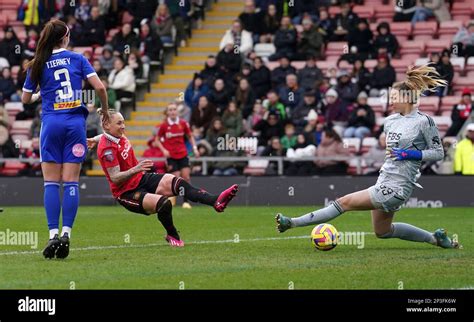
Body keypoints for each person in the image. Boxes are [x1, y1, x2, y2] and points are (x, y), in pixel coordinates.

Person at [276, 65, 460, 249]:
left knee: (343, 203)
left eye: (394, 98)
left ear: (407, 98)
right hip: (385, 180)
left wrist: (411, 154)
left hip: (398, 186)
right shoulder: (390, 121)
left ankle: (291, 223)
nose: (391, 102)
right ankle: (436, 239)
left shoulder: (424, 122)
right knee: (383, 231)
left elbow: (438, 153)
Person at [21, 20, 110, 259]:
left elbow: (25, 99)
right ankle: (66, 234)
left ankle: (52, 235)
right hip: (75, 126)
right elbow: (100, 88)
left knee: (51, 183)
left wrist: (41, 93)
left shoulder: (38, 62)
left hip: (51, 124)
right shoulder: (78, 59)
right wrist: (105, 112)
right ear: (66, 37)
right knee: (71, 182)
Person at [87, 110, 238, 247]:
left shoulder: (116, 135)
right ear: (107, 126)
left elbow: (105, 135)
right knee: (164, 204)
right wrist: (136, 168)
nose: (123, 126)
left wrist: (94, 138)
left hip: (140, 178)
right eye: (119, 123)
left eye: (123, 122)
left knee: (179, 183)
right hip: (127, 192)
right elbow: (115, 178)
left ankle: (215, 201)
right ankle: (172, 234)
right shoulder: (107, 149)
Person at [154, 103, 201, 209]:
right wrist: (164, 150)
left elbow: (190, 136)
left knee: (186, 178)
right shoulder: (164, 125)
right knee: (176, 178)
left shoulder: (183, 123)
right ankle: (172, 199)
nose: (172, 112)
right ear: (167, 112)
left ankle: (185, 201)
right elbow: (157, 140)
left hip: (183, 154)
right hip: (171, 156)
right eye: (170, 110)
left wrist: (195, 148)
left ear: (177, 111)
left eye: (174, 109)